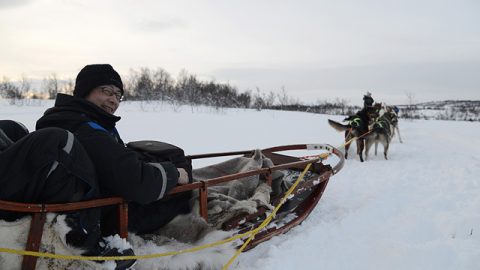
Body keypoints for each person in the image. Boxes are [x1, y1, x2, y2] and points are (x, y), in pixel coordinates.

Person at [4, 64, 190, 269]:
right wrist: (174, 173)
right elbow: (138, 182)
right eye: (106, 91)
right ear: (85, 92)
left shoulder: (73, 119)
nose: (113, 100)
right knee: (184, 195)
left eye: (118, 95)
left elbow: (114, 162)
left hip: (87, 199)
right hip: (105, 214)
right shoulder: (82, 127)